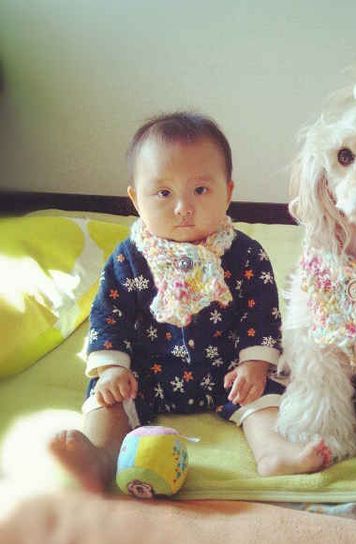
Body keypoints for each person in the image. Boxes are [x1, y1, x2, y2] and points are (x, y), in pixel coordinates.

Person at [50, 112, 331, 492]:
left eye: (200, 190)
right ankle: (98, 456)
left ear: (228, 192)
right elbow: (108, 316)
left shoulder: (245, 255)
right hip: (144, 375)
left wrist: (253, 364)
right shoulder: (127, 258)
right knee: (105, 398)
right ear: (135, 198)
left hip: (228, 373)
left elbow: (262, 313)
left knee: (266, 392)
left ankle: (272, 453)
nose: (183, 207)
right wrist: (113, 369)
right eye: (163, 193)